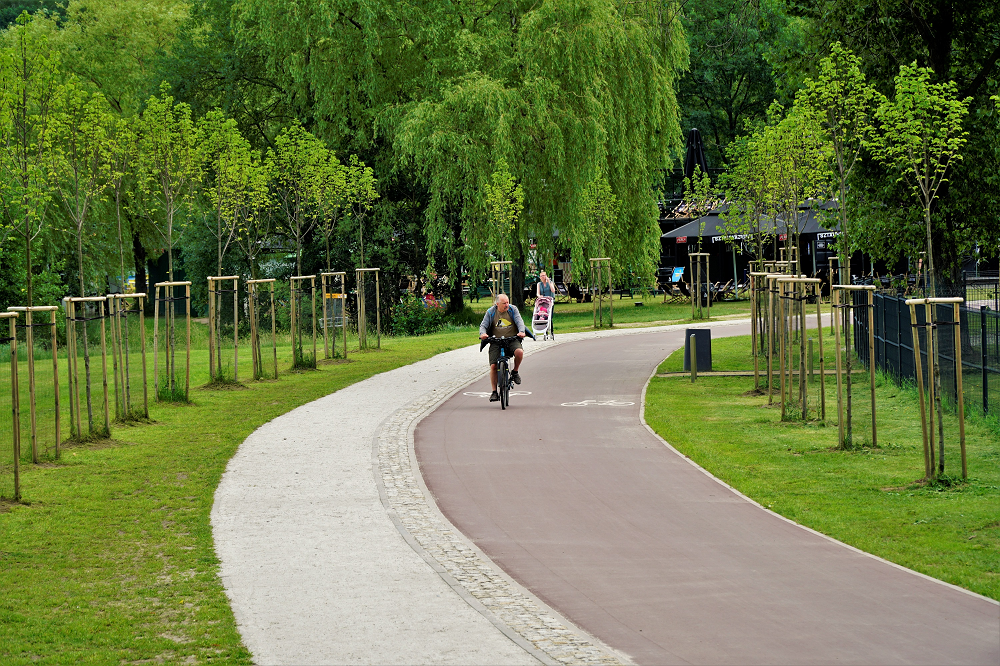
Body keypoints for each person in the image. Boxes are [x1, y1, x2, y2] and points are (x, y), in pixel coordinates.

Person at [479, 293, 526, 402]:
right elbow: (483, 326)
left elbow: (520, 322)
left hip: (512, 339)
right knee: (493, 366)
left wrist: (521, 331)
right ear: (497, 304)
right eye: (504, 303)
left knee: (519, 352)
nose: (507, 305)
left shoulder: (513, 310)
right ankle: (494, 392)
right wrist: (483, 334)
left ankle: (515, 372)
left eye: (507, 302)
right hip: (496, 341)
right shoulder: (491, 312)